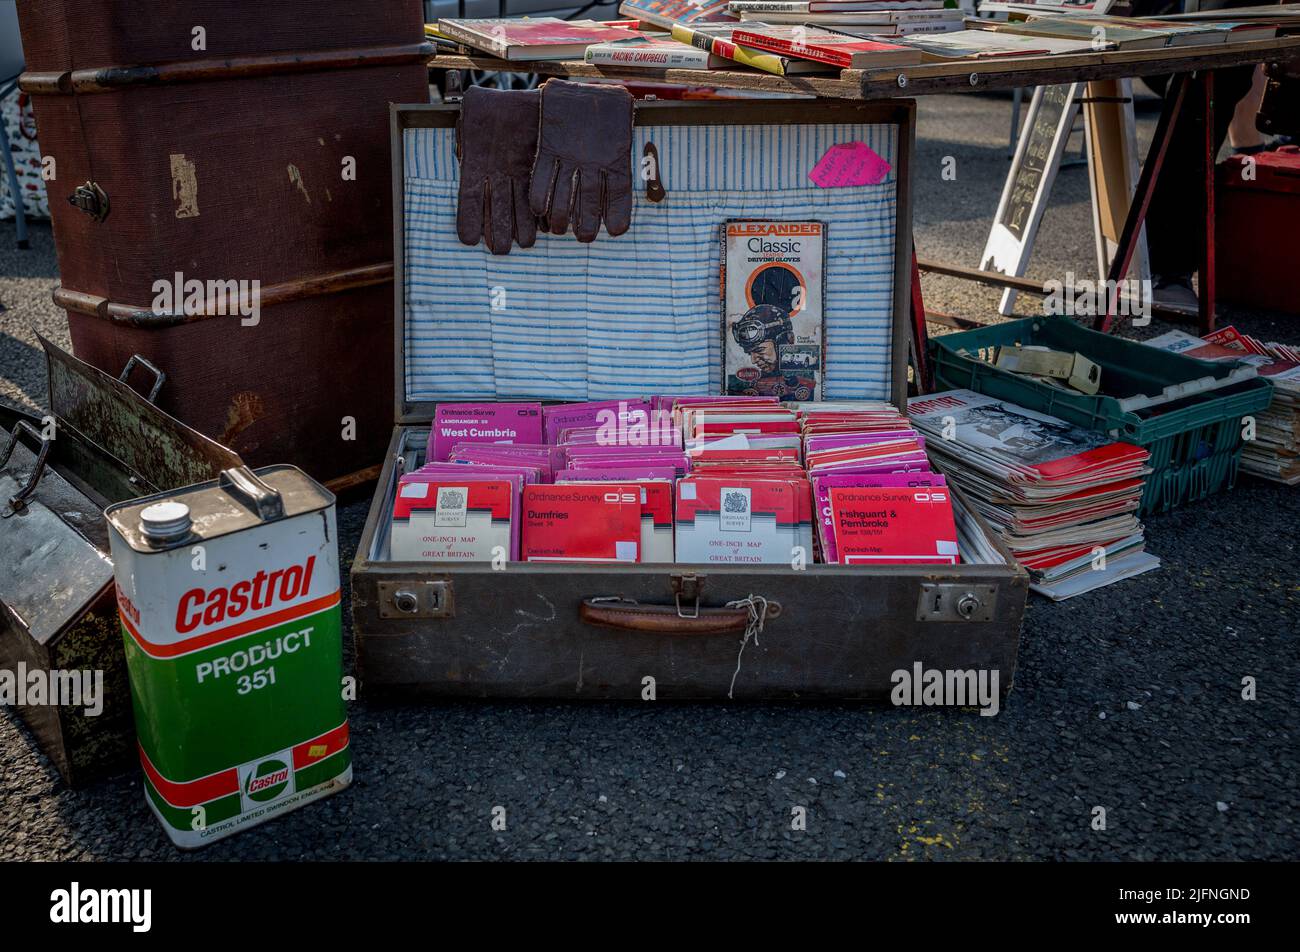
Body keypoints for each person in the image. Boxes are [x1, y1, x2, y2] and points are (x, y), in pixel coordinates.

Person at [1133, 0, 1278, 311]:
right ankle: (1167, 267)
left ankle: (1168, 266)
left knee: (1230, 68)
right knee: (1209, 77)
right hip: (1197, 26)